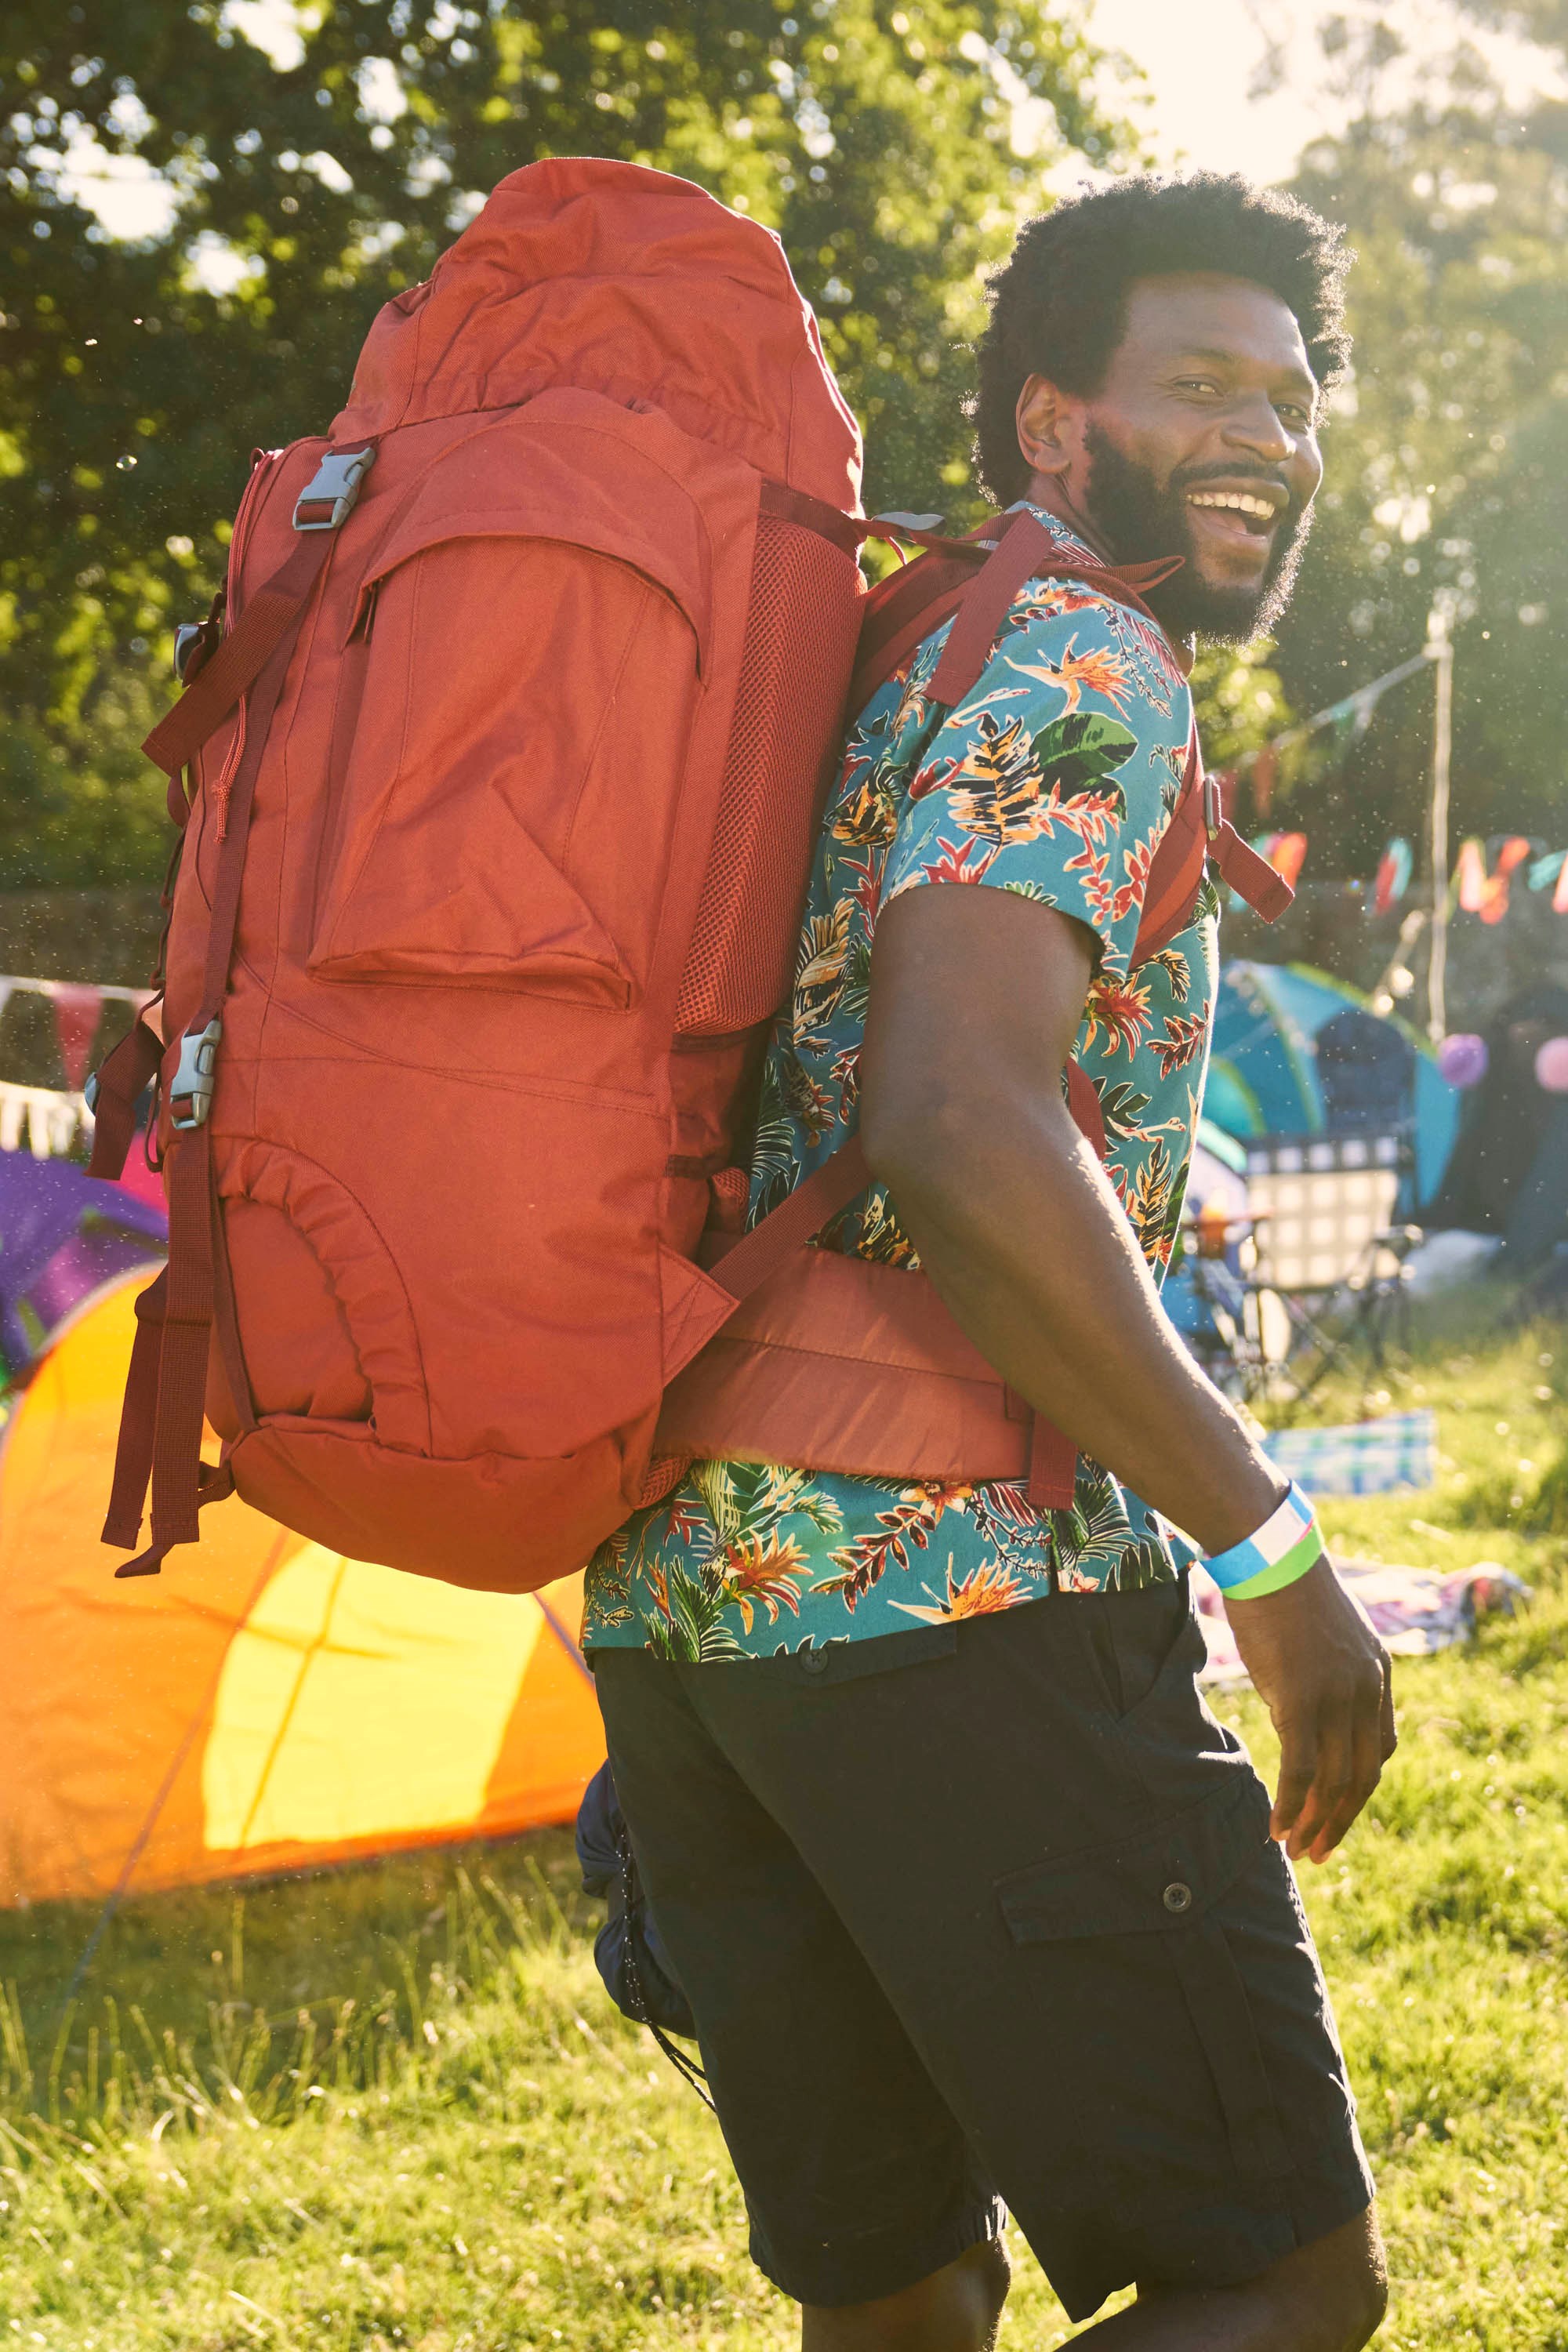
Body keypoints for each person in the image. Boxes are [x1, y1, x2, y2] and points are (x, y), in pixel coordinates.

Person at [583, 172, 1395, 2350]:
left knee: (899, 2296)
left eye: (1294, 397)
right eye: (1203, 384)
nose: (1269, 436)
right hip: (959, 1590)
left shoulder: (886, 646)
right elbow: (958, 1120)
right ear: (1054, 424)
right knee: (1286, 2283)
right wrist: (1273, 1542)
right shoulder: (1081, 659)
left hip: (693, 1610)